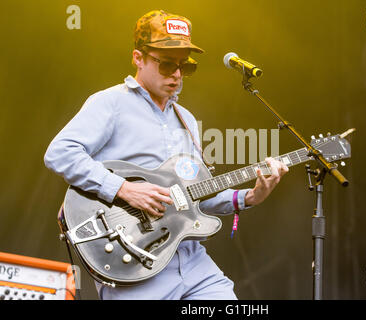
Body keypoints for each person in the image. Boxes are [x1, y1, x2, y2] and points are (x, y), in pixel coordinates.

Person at [44, 9, 288, 300]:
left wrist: (250, 197)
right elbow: (60, 152)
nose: (176, 74)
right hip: (133, 260)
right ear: (138, 58)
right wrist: (123, 189)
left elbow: (194, 196)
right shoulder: (110, 103)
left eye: (185, 67)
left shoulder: (185, 118)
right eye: (166, 65)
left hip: (192, 262)